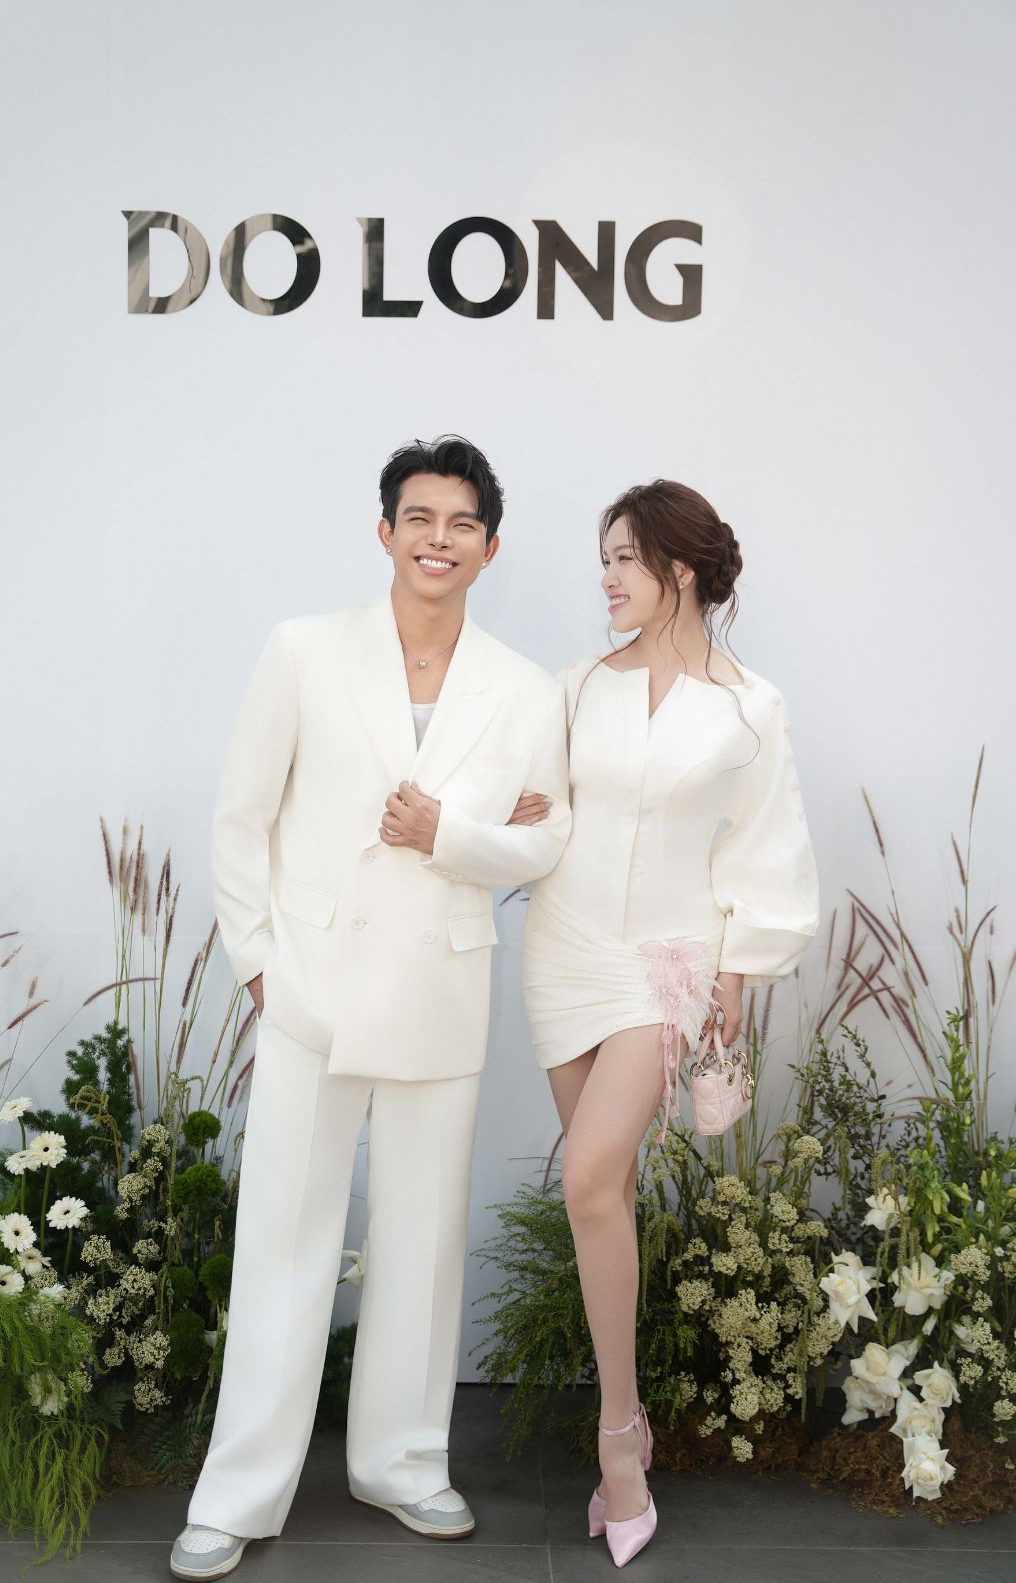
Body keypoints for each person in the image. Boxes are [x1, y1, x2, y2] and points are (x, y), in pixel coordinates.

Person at [171, 435, 572, 1580]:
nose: (439, 539)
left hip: (441, 985)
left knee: (422, 1242)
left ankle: (401, 1464)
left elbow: (548, 840)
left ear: (491, 547)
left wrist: (452, 835)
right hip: (312, 986)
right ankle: (238, 1494)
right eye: (420, 518)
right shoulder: (303, 650)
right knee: (281, 1242)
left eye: (462, 523)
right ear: (386, 532)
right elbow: (241, 818)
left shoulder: (526, 689)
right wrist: (260, 966)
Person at [513, 477, 820, 1568]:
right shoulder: (576, 687)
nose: (605, 578)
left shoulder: (750, 708)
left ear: (678, 569)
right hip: (562, 951)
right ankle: (630, 1415)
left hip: (665, 967)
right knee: (609, 1196)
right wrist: (513, 815)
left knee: (588, 1178)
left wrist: (737, 969)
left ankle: (618, 1441)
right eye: (603, 558)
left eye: (623, 559)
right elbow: (540, 811)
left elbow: (767, 847)